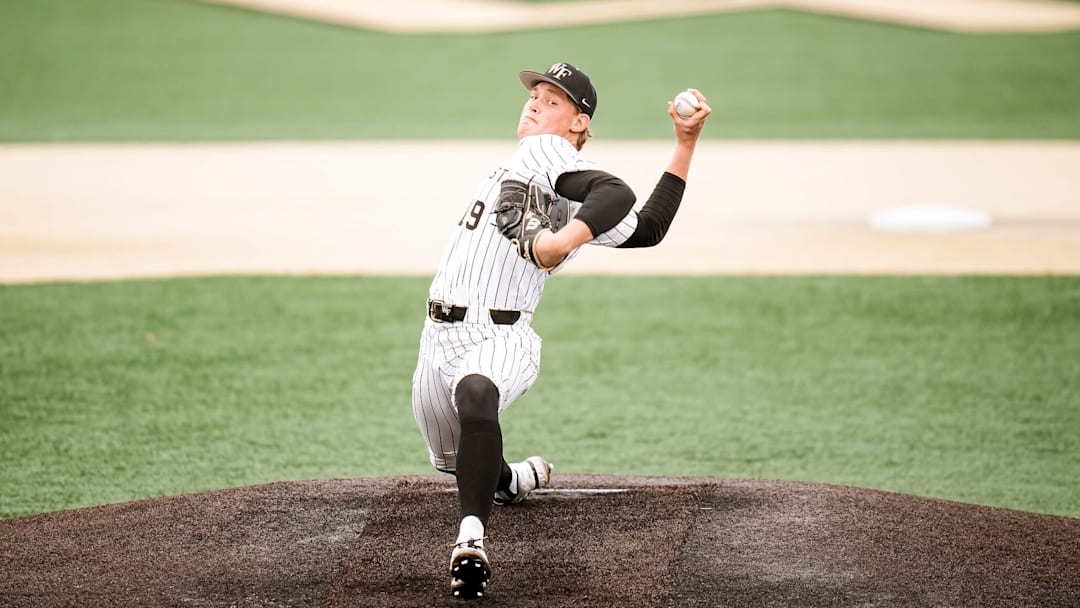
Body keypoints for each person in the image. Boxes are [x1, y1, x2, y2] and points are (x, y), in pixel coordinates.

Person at [410, 61, 711, 599]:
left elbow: (616, 193)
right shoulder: (535, 171)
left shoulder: (544, 152)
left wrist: (555, 243)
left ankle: (470, 542)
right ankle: (513, 481)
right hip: (436, 342)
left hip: (500, 336)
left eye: (553, 100)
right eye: (536, 94)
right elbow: (648, 230)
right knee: (463, 460)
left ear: (577, 122)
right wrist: (684, 142)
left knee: (477, 395)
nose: (536, 102)